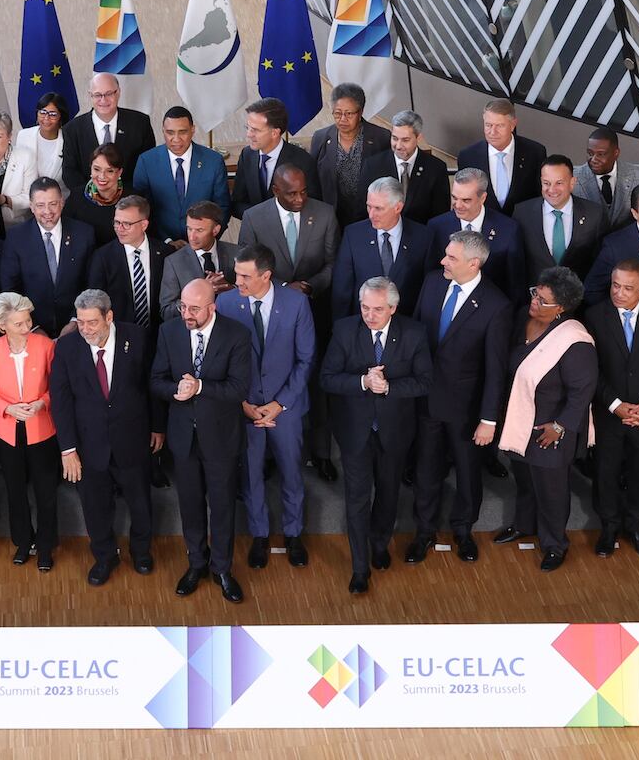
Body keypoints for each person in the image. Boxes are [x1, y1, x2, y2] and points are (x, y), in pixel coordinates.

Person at [320, 277, 431, 592]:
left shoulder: (414, 333)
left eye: (378, 309)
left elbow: (425, 381)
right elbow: (327, 378)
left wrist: (390, 387)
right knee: (356, 498)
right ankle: (359, 568)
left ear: (393, 308)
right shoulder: (344, 330)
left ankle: (380, 544)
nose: (369, 315)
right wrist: (362, 383)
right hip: (355, 431)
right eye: (365, 307)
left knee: (388, 493)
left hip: (395, 431)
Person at [409, 230, 511, 564]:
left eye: (451, 257)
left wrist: (488, 420)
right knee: (426, 469)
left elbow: (496, 370)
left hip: (466, 410)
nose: (443, 261)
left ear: (474, 262)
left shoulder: (496, 305)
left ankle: (463, 530)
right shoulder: (432, 282)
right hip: (426, 400)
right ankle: (424, 531)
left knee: (468, 473)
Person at [50, 288, 162, 586]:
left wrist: (157, 427)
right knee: (96, 507)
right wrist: (68, 449)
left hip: (133, 439)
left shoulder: (136, 338)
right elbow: (60, 402)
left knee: (140, 501)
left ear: (109, 317)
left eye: (92, 323)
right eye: (81, 322)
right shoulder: (67, 347)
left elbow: (152, 386)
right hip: (89, 445)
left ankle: (141, 552)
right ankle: (104, 557)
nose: (85, 329)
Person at [151, 279, 253, 603]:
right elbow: (156, 380)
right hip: (184, 438)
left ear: (212, 306)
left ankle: (222, 568)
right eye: (183, 306)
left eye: (194, 308)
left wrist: (201, 387)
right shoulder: (169, 332)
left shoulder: (236, 335)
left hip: (221, 437)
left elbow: (239, 389)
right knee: (190, 506)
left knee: (222, 506)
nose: (186, 314)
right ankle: (196, 563)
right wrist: (174, 391)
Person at [218, 244, 316, 568]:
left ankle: (293, 534)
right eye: (237, 274)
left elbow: (305, 360)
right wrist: (243, 403)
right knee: (251, 477)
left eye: (245, 276)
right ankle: (259, 535)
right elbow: (223, 361)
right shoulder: (227, 302)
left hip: (284, 410)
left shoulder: (296, 303)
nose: (238, 281)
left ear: (266, 275)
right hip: (245, 409)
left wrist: (279, 404)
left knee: (291, 473)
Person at [496, 267, 596, 571]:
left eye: (543, 300)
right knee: (525, 480)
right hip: (521, 419)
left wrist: (560, 426)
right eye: (535, 294)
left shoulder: (575, 340)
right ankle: (524, 524)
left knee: (551, 490)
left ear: (561, 309)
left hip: (549, 430)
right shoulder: (522, 319)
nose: (535, 302)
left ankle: (555, 544)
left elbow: (582, 391)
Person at [582, 259, 639, 558]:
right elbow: (590, 368)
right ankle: (608, 526)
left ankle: (635, 525)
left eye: (628, 288)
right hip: (609, 413)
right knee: (606, 472)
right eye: (615, 285)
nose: (619, 293)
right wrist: (615, 405)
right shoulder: (595, 315)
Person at [0, 292, 61, 570]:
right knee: (15, 491)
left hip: (42, 430)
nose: (27, 328)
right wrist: (8, 409)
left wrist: (41, 403)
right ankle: (23, 543)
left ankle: (46, 547)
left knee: (45, 491)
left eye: (28, 321)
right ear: (2, 326)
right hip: (6, 432)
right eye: (19, 324)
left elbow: (57, 388)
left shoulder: (45, 345)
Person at [0, 178, 96, 332]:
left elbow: (91, 284)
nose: (47, 212)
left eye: (53, 204)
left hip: (78, 327)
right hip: (31, 329)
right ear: (31, 206)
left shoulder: (84, 234)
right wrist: (32, 327)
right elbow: (10, 289)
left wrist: (75, 321)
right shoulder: (16, 238)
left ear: (62, 202)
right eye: (40, 205)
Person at [238, 165, 339, 302]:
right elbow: (247, 265)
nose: (300, 199)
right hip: (270, 299)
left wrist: (310, 286)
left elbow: (333, 262)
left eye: (303, 192)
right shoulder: (253, 218)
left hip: (315, 300)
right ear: (276, 191)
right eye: (292, 194)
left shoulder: (325, 214)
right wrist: (283, 287)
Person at [331, 178, 428, 317]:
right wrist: (342, 330)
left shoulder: (423, 237)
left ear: (398, 207)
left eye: (378, 208)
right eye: (369, 206)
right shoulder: (353, 235)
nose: (371, 215)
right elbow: (342, 289)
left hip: (406, 328)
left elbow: (426, 291)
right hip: (363, 325)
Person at [132, 106, 230, 242]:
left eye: (182, 132)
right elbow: (140, 208)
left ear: (192, 130)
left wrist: (204, 238)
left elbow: (222, 207)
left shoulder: (213, 161)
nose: (176, 139)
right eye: (170, 132)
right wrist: (166, 240)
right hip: (161, 244)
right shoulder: (146, 161)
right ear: (163, 131)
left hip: (204, 244)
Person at [426, 168, 520, 300]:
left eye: (466, 200)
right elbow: (432, 275)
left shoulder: (508, 228)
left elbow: (515, 282)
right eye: (454, 198)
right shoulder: (437, 226)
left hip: (491, 308)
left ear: (483, 198)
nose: (457, 205)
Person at [515, 154, 608, 282]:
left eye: (559, 183)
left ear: (572, 183)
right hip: (536, 297)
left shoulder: (594, 214)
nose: (552, 190)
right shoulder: (522, 213)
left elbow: (600, 262)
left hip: (579, 297)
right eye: (546, 183)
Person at [309, 83, 392, 224]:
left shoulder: (381, 137)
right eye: (337, 113)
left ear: (360, 112)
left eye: (349, 113)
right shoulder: (320, 138)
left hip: (369, 215)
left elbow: (389, 179)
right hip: (331, 217)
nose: (342, 119)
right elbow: (313, 180)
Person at [85, 194, 167, 333]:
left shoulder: (165, 253)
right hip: (120, 335)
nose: (119, 228)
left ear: (144, 225)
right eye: (117, 222)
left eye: (127, 224)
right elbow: (96, 302)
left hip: (159, 334)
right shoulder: (102, 257)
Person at [64, 73, 155, 188]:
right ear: (90, 95)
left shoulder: (140, 123)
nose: (103, 100)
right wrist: (94, 195)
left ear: (118, 92)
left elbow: (147, 166)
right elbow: (70, 172)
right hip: (88, 200)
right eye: (97, 95)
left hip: (130, 198)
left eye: (109, 93)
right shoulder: (72, 129)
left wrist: (125, 196)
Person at [361, 109, 449, 224]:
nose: (398, 146)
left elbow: (440, 216)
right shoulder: (373, 165)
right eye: (395, 138)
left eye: (405, 140)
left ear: (418, 138)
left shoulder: (436, 169)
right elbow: (362, 211)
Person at [456, 99, 545, 212]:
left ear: (512, 125)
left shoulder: (535, 152)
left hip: (523, 225)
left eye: (500, 126)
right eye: (488, 125)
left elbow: (539, 195)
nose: (493, 132)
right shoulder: (468, 156)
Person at [233, 97, 320, 211]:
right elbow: (238, 202)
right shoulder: (247, 155)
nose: (249, 134)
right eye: (248, 128)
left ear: (275, 133)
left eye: (255, 130)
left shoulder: (302, 161)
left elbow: (313, 205)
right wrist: (255, 220)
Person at [160, 200, 237, 318]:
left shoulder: (236, 253)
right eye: (189, 229)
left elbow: (253, 295)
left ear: (215, 230)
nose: (191, 237)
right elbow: (166, 312)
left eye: (199, 230)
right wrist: (199, 292)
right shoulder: (174, 262)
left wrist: (231, 289)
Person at [574, 128, 639, 227]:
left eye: (601, 154)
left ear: (616, 153)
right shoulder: (574, 178)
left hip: (624, 239)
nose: (594, 159)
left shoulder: (638, 175)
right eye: (590, 153)